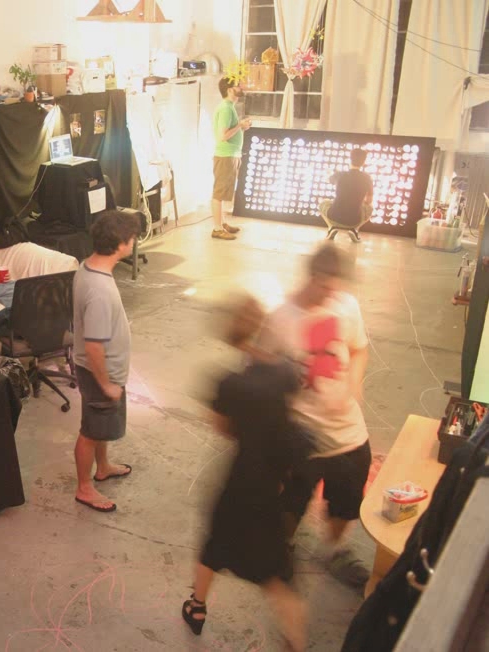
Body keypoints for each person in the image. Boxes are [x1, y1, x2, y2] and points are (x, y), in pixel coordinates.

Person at [182, 293, 311, 651]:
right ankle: (295, 641)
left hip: (242, 478)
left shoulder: (229, 384)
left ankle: (197, 607)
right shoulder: (287, 371)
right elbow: (290, 418)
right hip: (275, 479)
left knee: (217, 543)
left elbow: (224, 428)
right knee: (275, 571)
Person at [259, 243, 372, 587]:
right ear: (312, 277)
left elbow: (359, 349)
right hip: (302, 434)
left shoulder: (346, 305)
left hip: (347, 431)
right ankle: (283, 547)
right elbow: (258, 369)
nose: (331, 293)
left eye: (336, 285)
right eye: (325, 285)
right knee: (291, 502)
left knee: (347, 501)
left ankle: (333, 548)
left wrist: (354, 386)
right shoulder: (282, 317)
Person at [72, 209, 141, 513]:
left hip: (101, 372)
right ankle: (84, 488)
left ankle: (103, 467)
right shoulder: (99, 290)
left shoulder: (88, 267)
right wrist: (107, 384)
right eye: (132, 238)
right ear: (121, 245)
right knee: (90, 430)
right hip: (100, 374)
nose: (134, 241)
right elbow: (94, 347)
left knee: (98, 426)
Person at [211, 77, 251, 241]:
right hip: (225, 156)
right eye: (237, 86)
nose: (241, 88)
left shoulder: (229, 108)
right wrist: (240, 126)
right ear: (229, 90)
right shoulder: (226, 109)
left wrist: (242, 127)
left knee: (224, 190)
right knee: (219, 192)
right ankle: (217, 228)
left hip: (231, 155)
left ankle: (222, 223)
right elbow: (223, 136)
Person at [320, 148, 374, 242]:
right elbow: (369, 201)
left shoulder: (340, 174)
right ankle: (355, 229)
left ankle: (331, 227)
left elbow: (328, 180)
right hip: (355, 219)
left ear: (350, 159)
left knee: (323, 203)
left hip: (334, 214)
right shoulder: (367, 178)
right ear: (363, 162)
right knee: (370, 208)